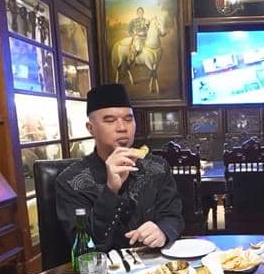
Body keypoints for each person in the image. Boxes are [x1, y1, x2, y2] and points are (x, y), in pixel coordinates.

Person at [56, 83, 184, 251]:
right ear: (91, 128)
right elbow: (85, 246)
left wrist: (163, 231)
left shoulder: (157, 167)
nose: (122, 128)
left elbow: (174, 216)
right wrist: (111, 190)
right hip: (105, 266)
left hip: (152, 261)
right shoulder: (71, 181)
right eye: (110, 120)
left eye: (128, 119)